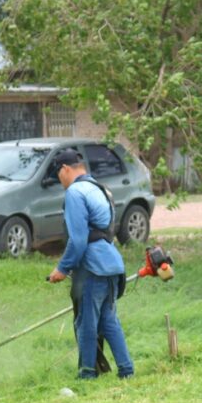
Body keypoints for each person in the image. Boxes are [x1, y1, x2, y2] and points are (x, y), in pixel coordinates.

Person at [47, 148, 134, 379]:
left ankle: (87, 374)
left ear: (65, 169)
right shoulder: (99, 188)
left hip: (93, 267)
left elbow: (77, 241)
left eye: (58, 175)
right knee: (108, 320)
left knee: (86, 322)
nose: (60, 181)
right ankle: (126, 370)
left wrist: (62, 269)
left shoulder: (75, 192)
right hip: (113, 263)